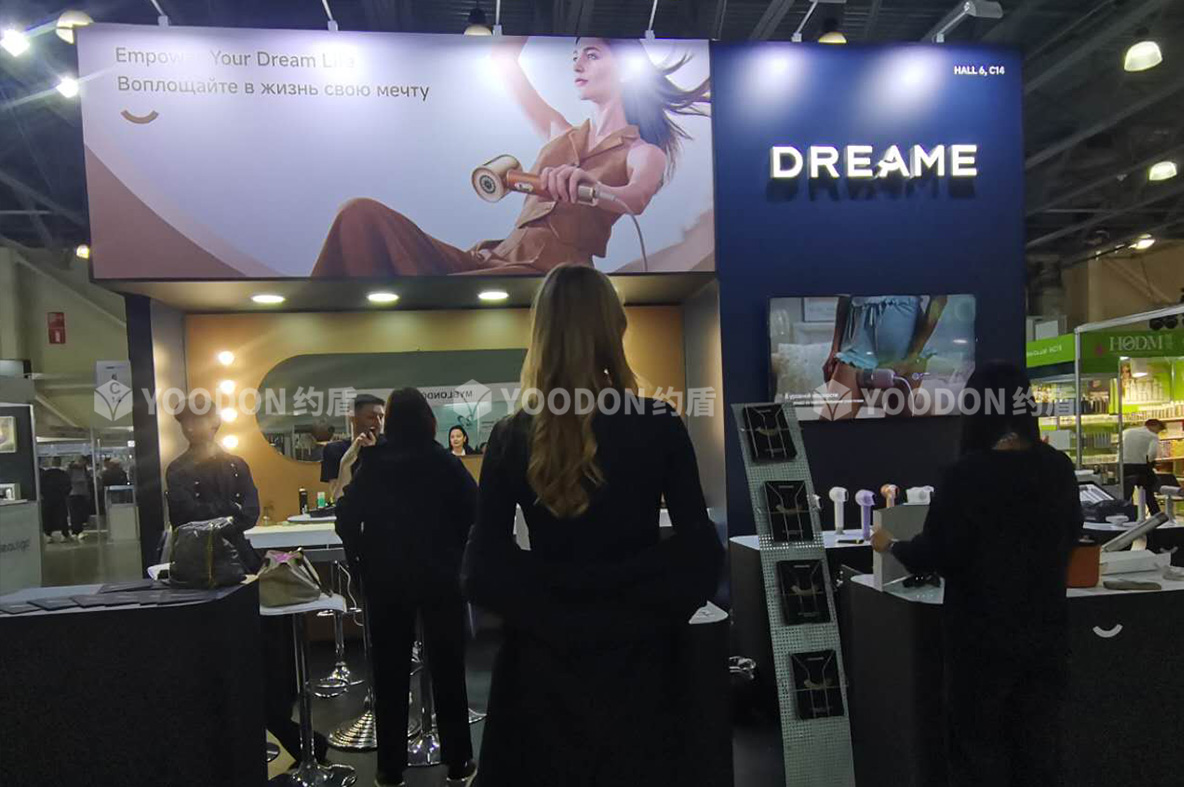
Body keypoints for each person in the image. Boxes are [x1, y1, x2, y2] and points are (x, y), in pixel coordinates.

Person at [462, 264, 723, 787]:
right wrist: (642, 605)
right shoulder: (658, 424)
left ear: (542, 332)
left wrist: (550, 607)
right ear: (613, 328)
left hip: (541, 672)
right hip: (642, 667)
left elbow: (482, 569)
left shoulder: (512, 435)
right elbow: (700, 554)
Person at [312, 38, 709, 277]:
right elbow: (503, 60)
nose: (577, 63)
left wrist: (595, 189)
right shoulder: (560, 131)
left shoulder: (643, 152)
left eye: (591, 55)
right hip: (493, 259)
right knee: (359, 215)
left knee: (439, 294)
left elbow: (635, 198)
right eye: (575, 55)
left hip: (551, 277)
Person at [871, 361, 1083, 787]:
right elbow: (1072, 532)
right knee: (1039, 749)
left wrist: (890, 545)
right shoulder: (1058, 468)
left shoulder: (964, 475)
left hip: (980, 640)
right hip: (1045, 635)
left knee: (978, 750)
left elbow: (937, 552)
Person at [164, 395, 330, 766]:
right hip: (201, 574)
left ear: (214, 422)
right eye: (186, 421)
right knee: (223, 662)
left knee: (264, 655)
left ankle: (280, 731)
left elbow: (249, 514)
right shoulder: (178, 469)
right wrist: (229, 511)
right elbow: (185, 516)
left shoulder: (236, 464)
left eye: (198, 419)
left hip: (241, 567)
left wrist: (219, 514)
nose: (191, 427)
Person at [335, 388, 478, 787]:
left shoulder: (374, 464)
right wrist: (453, 550)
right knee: (448, 668)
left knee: (389, 673)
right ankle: (458, 761)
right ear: (429, 420)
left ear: (392, 422)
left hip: (387, 580)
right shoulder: (445, 462)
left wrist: (361, 562)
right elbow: (475, 511)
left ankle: (390, 768)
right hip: (440, 578)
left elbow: (346, 518)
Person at [822, 295, 949, 418]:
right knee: (830, 425)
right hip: (857, 347)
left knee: (898, 429)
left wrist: (914, 354)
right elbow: (844, 298)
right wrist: (835, 349)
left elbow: (940, 298)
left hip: (907, 349)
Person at [320, 393, 386, 500]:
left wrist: (372, 453)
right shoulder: (334, 450)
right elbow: (338, 497)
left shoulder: (389, 445)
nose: (378, 423)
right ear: (353, 418)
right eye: (371, 417)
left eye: (381, 417)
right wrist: (345, 465)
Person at [1121, 418, 1165, 515]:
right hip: (1140, 467)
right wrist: (1150, 461)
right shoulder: (1152, 436)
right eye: (1158, 430)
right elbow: (1152, 454)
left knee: (1126, 494)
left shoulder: (1127, 432)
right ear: (1155, 426)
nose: (1158, 432)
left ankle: (1125, 514)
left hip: (1124, 466)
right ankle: (1156, 515)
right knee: (1148, 493)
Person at [40, 457, 72, 542]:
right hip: (60, 498)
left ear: (51, 463)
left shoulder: (45, 474)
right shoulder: (63, 474)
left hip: (47, 499)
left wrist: (44, 495)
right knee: (62, 517)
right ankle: (64, 535)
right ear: (60, 463)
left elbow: (40, 486)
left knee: (47, 517)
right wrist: (64, 494)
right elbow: (69, 486)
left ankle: (48, 535)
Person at [66, 455, 94, 538]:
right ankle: (76, 530)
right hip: (74, 493)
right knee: (75, 513)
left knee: (78, 513)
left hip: (79, 493)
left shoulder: (79, 469)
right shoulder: (72, 469)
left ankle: (77, 530)